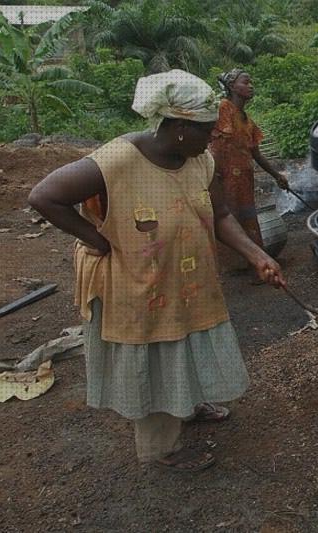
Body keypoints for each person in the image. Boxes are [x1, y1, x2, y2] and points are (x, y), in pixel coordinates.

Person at [28, 69, 285, 472]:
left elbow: (220, 215)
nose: (213, 137)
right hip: (140, 282)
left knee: (188, 340)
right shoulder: (120, 158)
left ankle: (186, 403)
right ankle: (161, 448)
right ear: (180, 127)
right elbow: (44, 197)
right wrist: (98, 241)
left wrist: (257, 255)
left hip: (187, 276)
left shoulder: (201, 160)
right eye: (206, 130)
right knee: (156, 354)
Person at [211, 68, 289, 274]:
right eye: (245, 82)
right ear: (231, 86)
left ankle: (254, 265)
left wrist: (277, 175)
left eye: (250, 82)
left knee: (247, 219)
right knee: (228, 220)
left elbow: (256, 153)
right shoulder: (224, 109)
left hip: (244, 181)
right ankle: (234, 266)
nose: (250, 86)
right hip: (224, 178)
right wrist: (214, 177)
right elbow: (214, 146)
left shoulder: (247, 120)